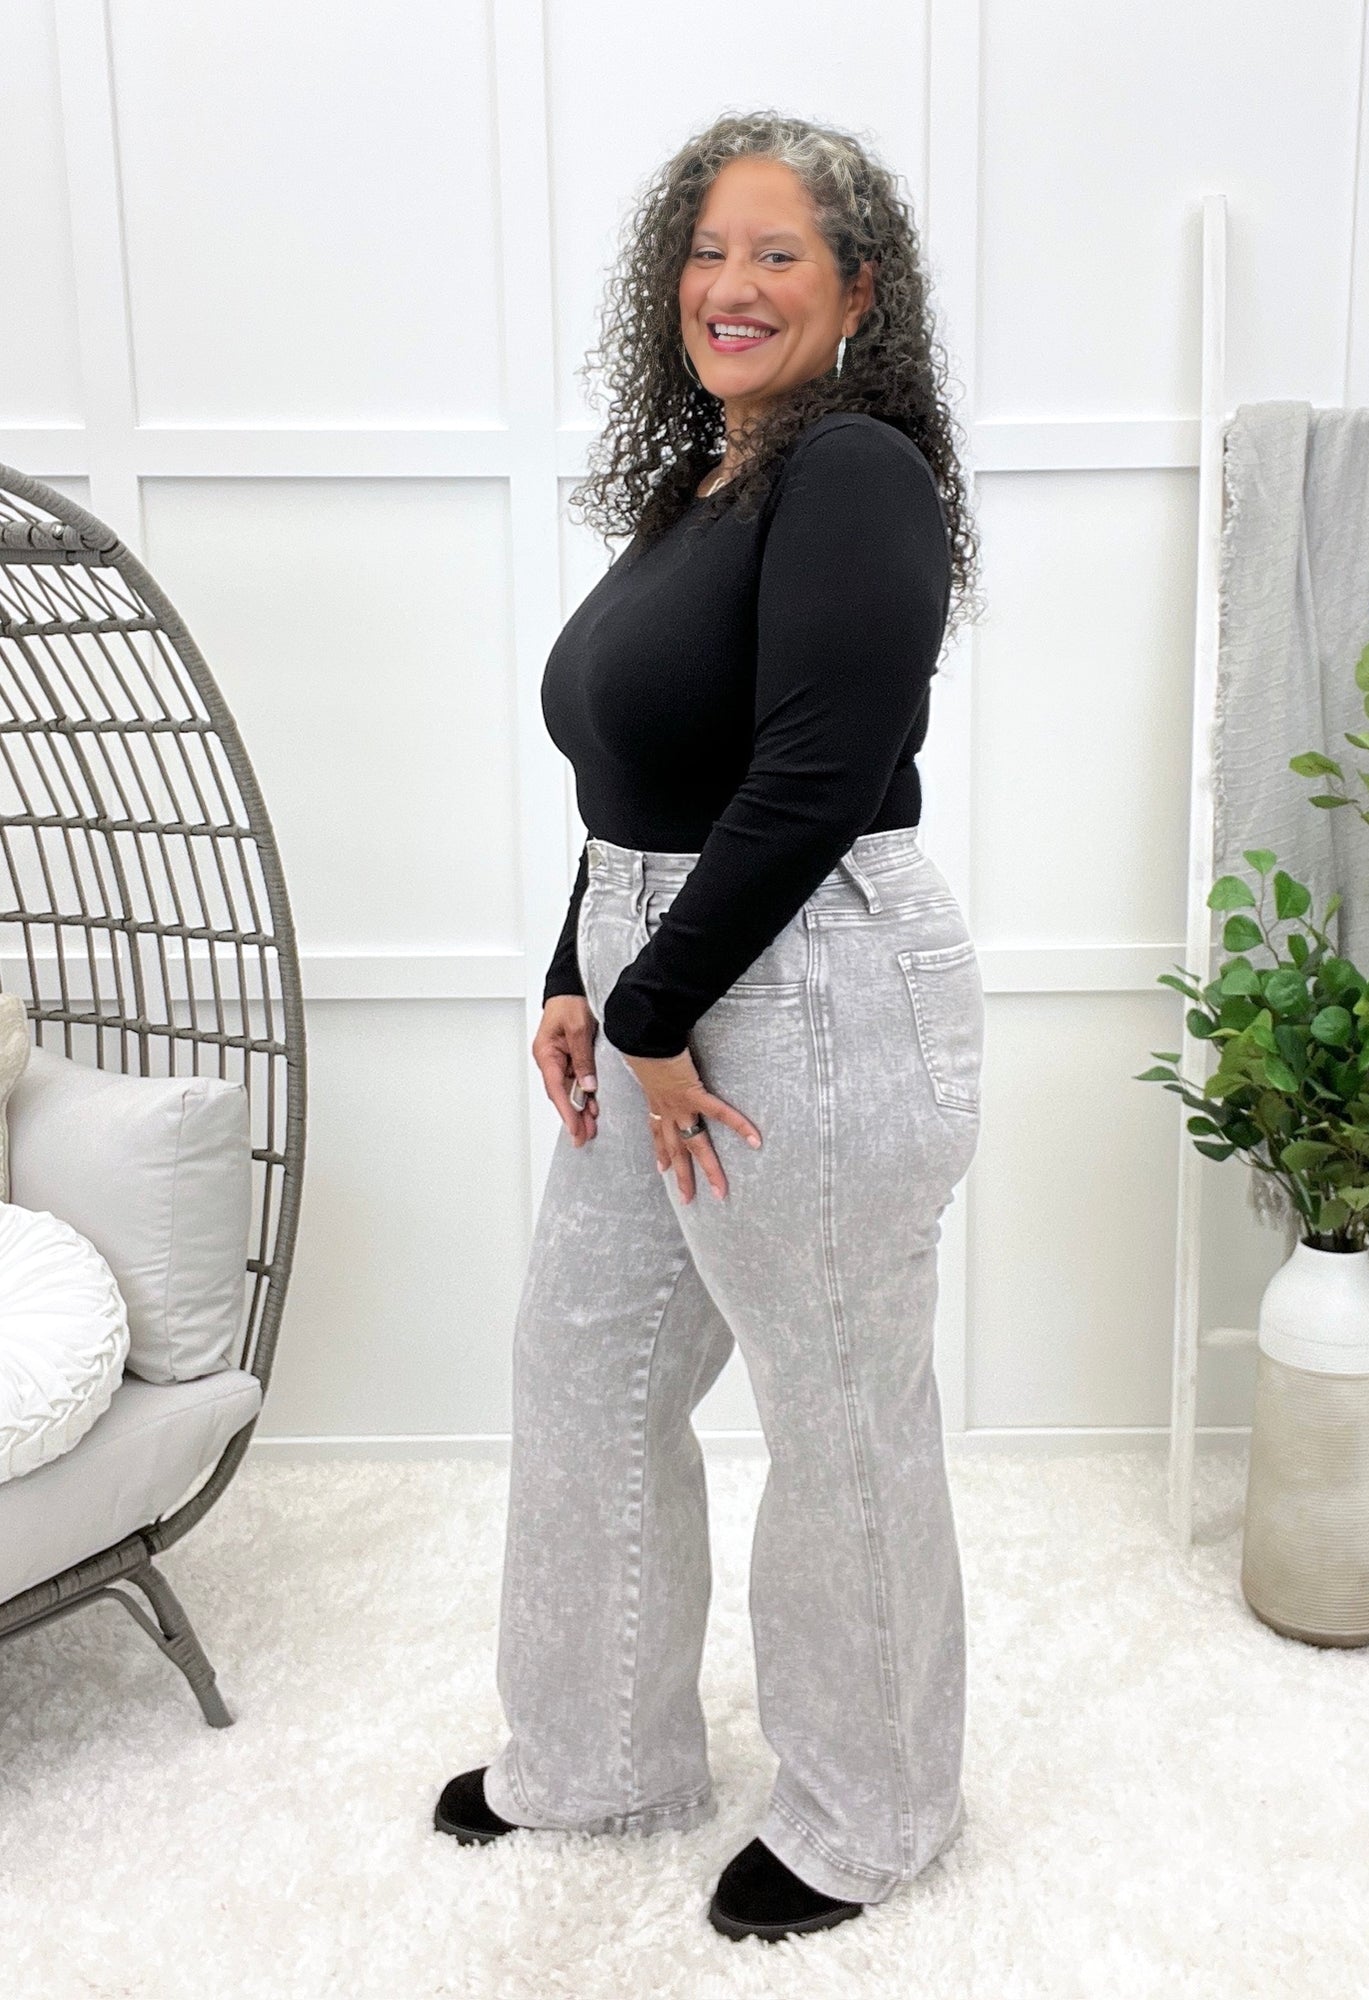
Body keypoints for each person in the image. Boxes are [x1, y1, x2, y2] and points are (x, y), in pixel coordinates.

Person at [433, 110, 986, 1945]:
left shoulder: (857, 473)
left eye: (776, 255)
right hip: (663, 975)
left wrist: (656, 1005)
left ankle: (873, 1814)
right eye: (705, 251)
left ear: (858, 294)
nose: (729, 286)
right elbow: (636, 770)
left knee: (838, 1410)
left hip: (812, 980)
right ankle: (597, 1755)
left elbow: (817, 773)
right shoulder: (710, 483)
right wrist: (577, 972)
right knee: (582, 1367)